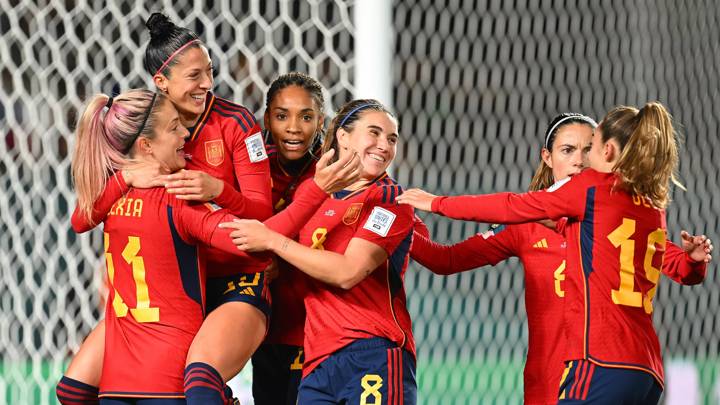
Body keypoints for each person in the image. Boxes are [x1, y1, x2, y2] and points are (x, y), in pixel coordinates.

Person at [59, 13, 359, 404]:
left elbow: (261, 219)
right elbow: (83, 217)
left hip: (235, 279)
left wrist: (217, 189)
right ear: (162, 83)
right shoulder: (143, 126)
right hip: (174, 293)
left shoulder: (237, 124)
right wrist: (125, 179)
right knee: (73, 389)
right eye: (195, 75)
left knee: (198, 382)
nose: (207, 84)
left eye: (210, 72)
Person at [398, 102, 712, 404]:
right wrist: (400, 227)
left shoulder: (600, 199)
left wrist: (437, 202)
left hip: (594, 367)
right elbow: (448, 259)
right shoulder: (535, 224)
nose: (580, 160)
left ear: (606, 152)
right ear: (547, 158)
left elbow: (677, 264)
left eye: (588, 149)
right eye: (568, 150)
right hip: (590, 377)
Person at [223, 99, 418, 404]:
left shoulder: (389, 198)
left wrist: (274, 242)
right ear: (343, 136)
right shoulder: (313, 194)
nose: (384, 145)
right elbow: (277, 249)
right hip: (317, 362)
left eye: (392, 139)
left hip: (372, 353)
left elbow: (347, 272)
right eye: (375, 133)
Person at [251, 72, 325, 405]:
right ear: (267, 118)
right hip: (262, 326)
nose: (294, 127)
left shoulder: (335, 172)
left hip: (318, 328)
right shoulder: (251, 169)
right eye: (282, 116)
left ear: (321, 120)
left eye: (306, 117)